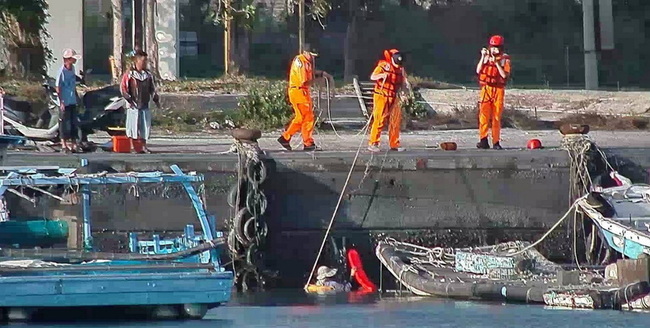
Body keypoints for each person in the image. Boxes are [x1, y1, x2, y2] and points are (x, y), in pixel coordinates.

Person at [277, 46, 333, 151]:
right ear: (306, 52)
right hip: (299, 91)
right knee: (304, 117)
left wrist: (320, 73)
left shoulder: (305, 61)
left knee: (305, 117)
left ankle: (296, 140)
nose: (313, 58)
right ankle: (294, 139)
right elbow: (304, 81)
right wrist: (318, 80)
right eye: (311, 55)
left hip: (301, 91)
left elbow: (310, 73)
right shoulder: (301, 62)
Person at [368, 49, 411, 153]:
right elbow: (373, 77)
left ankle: (394, 144)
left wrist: (406, 92)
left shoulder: (401, 69)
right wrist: (382, 75)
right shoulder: (383, 65)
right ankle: (373, 143)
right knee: (379, 119)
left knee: (395, 120)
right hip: (381, 95)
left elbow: (404, 82)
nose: (398, 66)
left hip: (394, 96)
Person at [120, 50, 160, 154]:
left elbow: (152, 89)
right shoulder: (130, 75)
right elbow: (124, 89)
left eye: (145, 61)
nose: (144, 63)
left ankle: (143, 146)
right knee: (133, 126)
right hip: (133, 105)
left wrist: (156, 99)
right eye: (143, 60)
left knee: (145, 126)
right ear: (136, 61)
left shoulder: (148, 75)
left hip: (144, 104)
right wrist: (129, 100)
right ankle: (133, 146)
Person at [475, 35, 511, 150]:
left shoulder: (505, 59)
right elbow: (478, 70)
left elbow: (504, 75)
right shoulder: (486, 57)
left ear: (501, 48)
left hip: (498, 90)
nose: (494, 50)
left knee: (496, 117)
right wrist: (483, 57)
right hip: (486, 89)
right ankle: (483, 140)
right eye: (492, 47)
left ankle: (496, 142)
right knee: (483, 116)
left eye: (496, 48)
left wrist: (496, 63)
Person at [55, 48, 82, 153]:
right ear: (68, 59)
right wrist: (61, 101)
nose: (75, 61)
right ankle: (64, 145)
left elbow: (73, 85)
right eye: (73, 59)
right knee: (64, 124)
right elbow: (58, 87)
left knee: (73, 123)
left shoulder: (73, 69)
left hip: (72, 100)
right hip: (64, 101)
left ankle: (74, 145)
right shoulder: (61, 71)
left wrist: (76, 97)